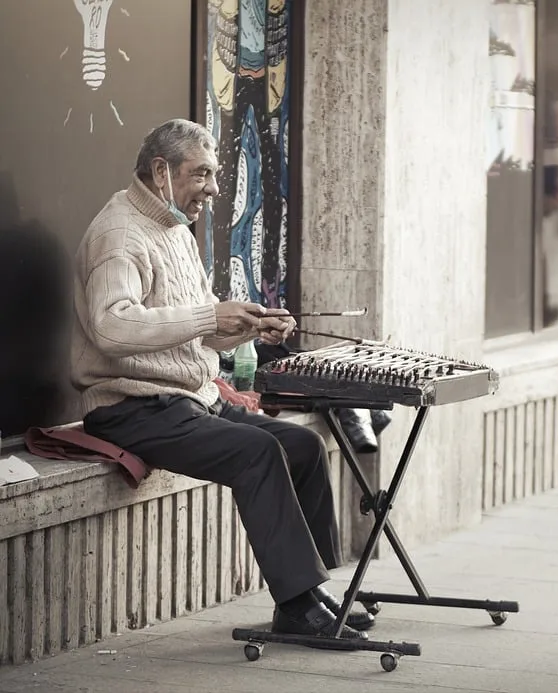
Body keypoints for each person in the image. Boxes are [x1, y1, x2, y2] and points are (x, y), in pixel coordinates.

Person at [71, 118, 375, 639]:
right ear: (161, 171)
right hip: (132, 410)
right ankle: (300, 606)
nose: (214, 189)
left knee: (301, 445)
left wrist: (247, 325)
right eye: (203, 175)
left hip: (189, 399)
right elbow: (112, 325)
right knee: (258, 453)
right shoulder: (119, 235)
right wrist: (212, 318)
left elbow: (195, 328)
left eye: (215, 175)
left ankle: (314, 589)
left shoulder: (174, 228)